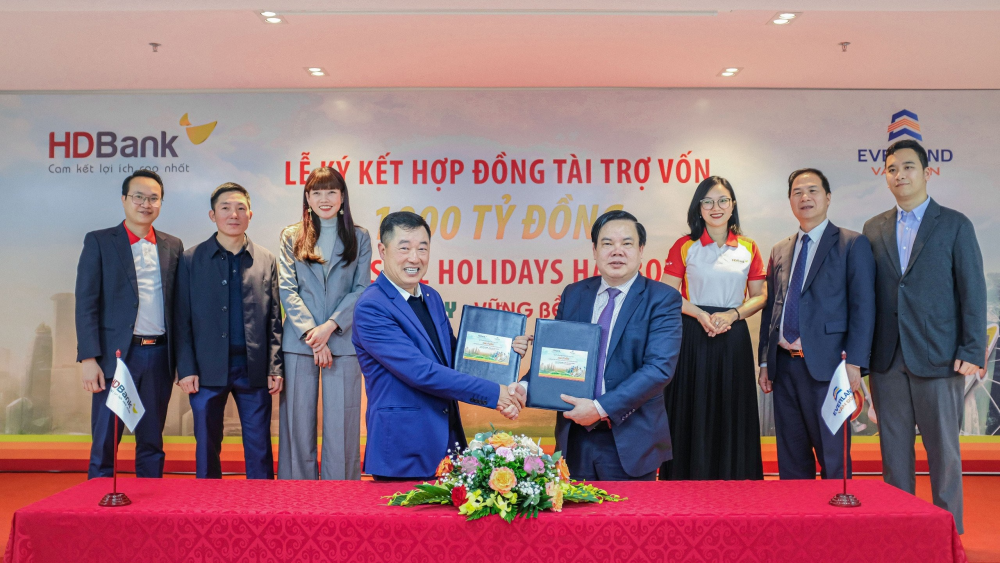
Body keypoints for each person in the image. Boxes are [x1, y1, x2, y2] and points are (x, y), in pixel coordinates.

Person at [863, 140, 985, 534]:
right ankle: (902, 533)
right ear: (885, 176)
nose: (899, 175)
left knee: (943, 453)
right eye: (892, 169)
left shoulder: (954, 224)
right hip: (887, 358)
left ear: (927, 172)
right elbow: (868, 296)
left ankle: (948, 533)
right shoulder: (874, 228)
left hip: (939, 356)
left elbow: (972, 290)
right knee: (894, 454)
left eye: (908, 167)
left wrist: (972, 348)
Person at [352, 211, 527, 481]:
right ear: (382, 251)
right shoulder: (372, 306)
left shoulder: (431, 297)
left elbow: (456, 358)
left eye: (422, 248)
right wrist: (496, 394)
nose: (414, 258)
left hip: (448, 442)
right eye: (404, 248)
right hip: (403, 449)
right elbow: (420, 371)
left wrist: (506, 351)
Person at [515, 210, 682, 481]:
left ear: (641, 250)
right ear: (594, 250)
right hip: (575, 439)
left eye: (626, 243)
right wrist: (524, 387)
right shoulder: (574, 294)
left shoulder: (662, 298)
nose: (617, 251)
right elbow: (558, 357)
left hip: (631, 441)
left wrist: (599, 408)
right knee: (573, 510)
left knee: (632, 512)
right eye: (607, 243)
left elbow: (659, 368)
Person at [758, 168, 876, 480]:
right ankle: (798, 512)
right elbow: (772, 310)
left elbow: (863, 308)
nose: (805, 197)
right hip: (784, 367)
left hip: (830, 368)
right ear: (790, 201)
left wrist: (855, 363)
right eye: (797, 192)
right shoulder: (780, 250)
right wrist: (765, 362)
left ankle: (837, 512)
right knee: (791, 459)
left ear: (828, 197)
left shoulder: (852, 244)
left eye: (812, 190)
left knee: (833, 457)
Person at [76, 170, 184, 479]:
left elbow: (179, 307)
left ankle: (151, 500)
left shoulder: (172, 245)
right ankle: (98, 500)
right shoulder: (99, 241)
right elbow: (86, 303)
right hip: (117, 357)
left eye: (153, 198)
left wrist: (183, 361)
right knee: (105, 441)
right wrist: (89, 358)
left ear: (160, 203)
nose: (145, 204)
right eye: (138, 196)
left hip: (159, 356)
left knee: (151, 440)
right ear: (124, 199)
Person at [659, 177, 767, 480]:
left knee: (732, 408)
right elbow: (666, 294)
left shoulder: (748, 246)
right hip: (693, 335)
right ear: (699, 208)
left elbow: (760, 295)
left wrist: (733, 315)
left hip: (733, 335)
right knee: (690, 408)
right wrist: (700, 315)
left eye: (722, 200)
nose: (715, 207)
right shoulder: (685, 245)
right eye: (707, 201)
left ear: (733, 206)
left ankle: (736, 479)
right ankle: (685, 479)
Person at [175, 183, 283, 479]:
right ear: (213, 215)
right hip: (206, 370)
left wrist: (274, 366)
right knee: (206, 446)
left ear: (250, 215)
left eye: (240, 208)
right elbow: (181, 318)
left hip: (253, 369)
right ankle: (208, 502)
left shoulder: (266, 260)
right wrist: (186, 369)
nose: (233, 214)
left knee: (260, 448)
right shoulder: (190, 259)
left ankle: (260, 503)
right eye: (225, 208)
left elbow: (275, 318)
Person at [277, 168, 372, 481]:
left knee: (342, 424)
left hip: (342, 341)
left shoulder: (359, 237)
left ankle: (340, 496)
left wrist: (329, 327)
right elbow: (287, 289)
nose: (324, 198)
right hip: (299, 342)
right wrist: (312, 334)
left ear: (342, 196)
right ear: (307, 198)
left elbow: (361, 289)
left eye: (331, 191)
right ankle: (296, 494)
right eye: (316, 192)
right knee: (297, 422)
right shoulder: (291, 235)